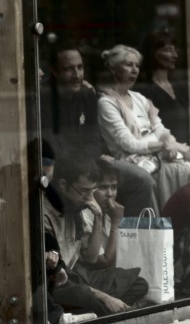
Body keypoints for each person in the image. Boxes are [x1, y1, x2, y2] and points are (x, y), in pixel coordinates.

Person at [41, 45, 156, 216]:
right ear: (54, 71)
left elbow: (94, 139)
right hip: (62, 167)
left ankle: (133, 237)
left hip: (91, 160)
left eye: (80, 67)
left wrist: (89, 160)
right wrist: (82, 164)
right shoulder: (42, 98)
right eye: (69, 69)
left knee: (141, 179)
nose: (77, 75)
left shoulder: (87, 94)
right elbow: (51, 146)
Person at [44, 156, 148, 316]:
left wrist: (98, 216)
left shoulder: (78, 207)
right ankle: (117, 314)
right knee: (84, 296)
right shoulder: (46, 213)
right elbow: (61, 273)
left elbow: (91, 257)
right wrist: (106, 297)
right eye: (84, 191)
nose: (89, 199)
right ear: (63, 185)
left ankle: (103, 312)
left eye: (92, 192)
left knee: (139, 283)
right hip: (59, 283)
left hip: (79, 278)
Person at [97, 44, 190, 210]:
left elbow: (160, 128)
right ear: (113, 69)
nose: (134, 70)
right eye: (128, 65)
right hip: (132, 159)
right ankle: (171, 220)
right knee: (184, 170)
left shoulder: (139, 98)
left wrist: (169, 140)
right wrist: (164, 144)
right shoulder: (107, 103)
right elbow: (128, 144)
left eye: (137, 66)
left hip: (155, 154)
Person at [136, 30, 189, 145]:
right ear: (152, 53)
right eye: (168, 50)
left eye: (175, 50)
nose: (175, 55)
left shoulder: (180, 87)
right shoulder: (143, 91)